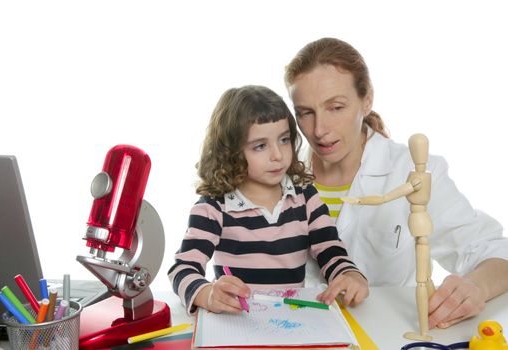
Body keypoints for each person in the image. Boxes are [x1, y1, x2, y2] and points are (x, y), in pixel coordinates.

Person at [284, 37, 508, 329]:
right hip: (293, 335)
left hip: (384, 338)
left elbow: (493, 251)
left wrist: (476, 288)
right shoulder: (279, 173)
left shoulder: (412, 172)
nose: (320, 130)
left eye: (336, 107)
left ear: (367, 100)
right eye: (305, 113)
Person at [168, 85, 368, 315]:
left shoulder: (305, 197)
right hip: (238, 322)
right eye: (260, 146)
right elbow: (182, 268)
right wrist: (206, 293)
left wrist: (350, 275)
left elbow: (330, 249)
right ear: (230, 151)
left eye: (284, 140)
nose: (278, 154)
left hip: (292, 319)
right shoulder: (213, 208)